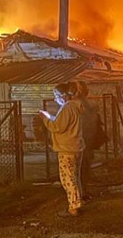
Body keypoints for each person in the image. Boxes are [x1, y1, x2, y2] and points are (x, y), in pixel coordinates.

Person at [39, 82, 85, 217]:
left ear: (64, 95)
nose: (55, 99)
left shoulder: (67, 107)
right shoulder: (74, 107)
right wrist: (51, 117)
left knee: (68, 178)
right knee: (75, 177)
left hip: (67, 149)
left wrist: (45, 119)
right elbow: (63, 123)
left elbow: (57, 127)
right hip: (76, 147)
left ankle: (74, 207)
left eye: (56, 95)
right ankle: (77, 202)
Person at [72, 81, 102, 201]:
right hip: (85, 142)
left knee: (80, 169)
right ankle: (82, 191)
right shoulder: (86, 105)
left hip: (81, 142)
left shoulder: (78, 105)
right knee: (83, 168)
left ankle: (80, 194)